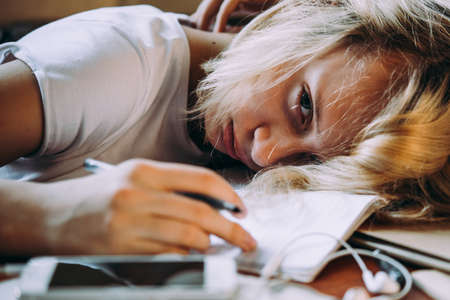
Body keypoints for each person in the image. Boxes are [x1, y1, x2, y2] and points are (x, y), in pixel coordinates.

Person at [0, 0, 448, 256]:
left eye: (311, 161)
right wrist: (48, 216)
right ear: (298, 16)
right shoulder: (112, 62)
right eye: (303, 106)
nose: (266, 157)